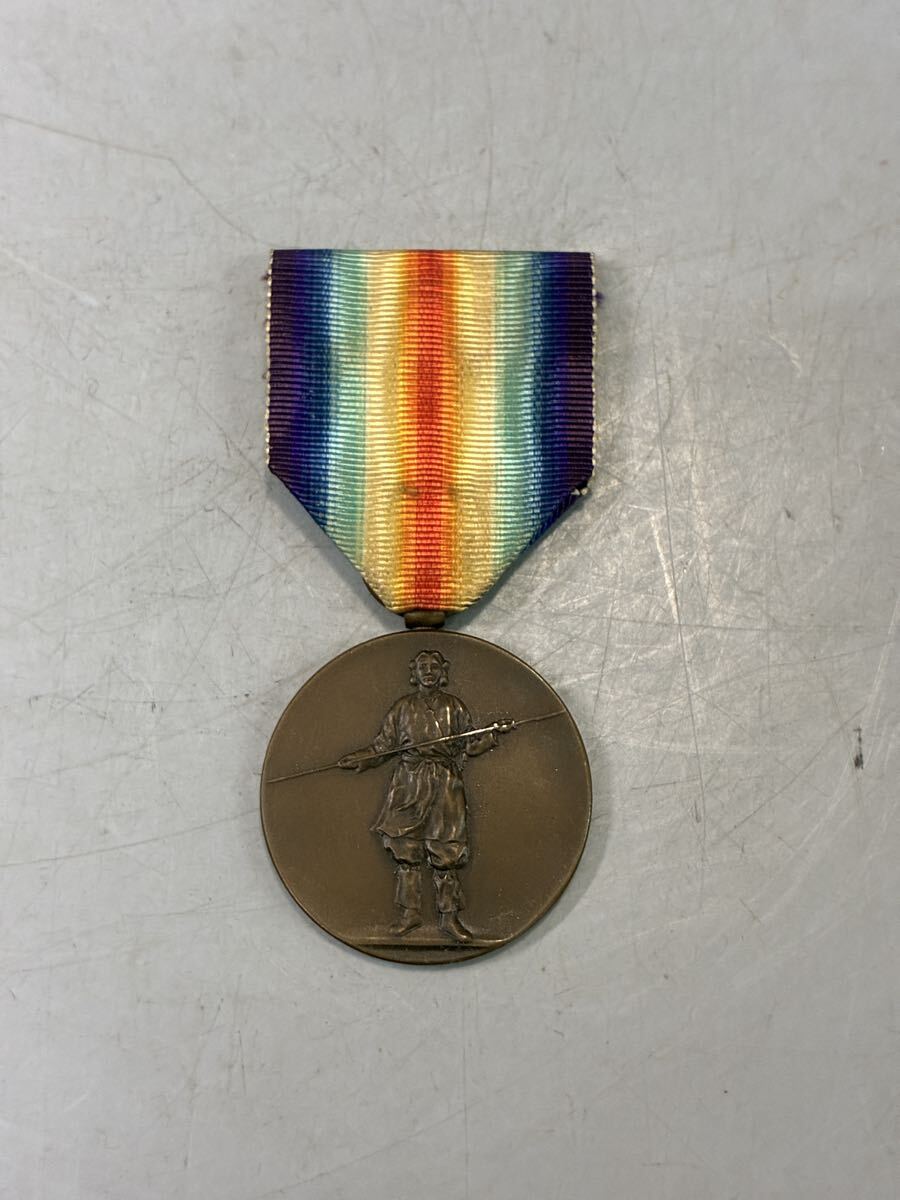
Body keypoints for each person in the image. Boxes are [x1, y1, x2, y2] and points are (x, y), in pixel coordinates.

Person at [339, 650, 511, 942]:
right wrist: (360, 758)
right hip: (409, 782)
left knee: (446, 850)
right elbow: (383, 746)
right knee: (405, 847)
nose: (428, 671)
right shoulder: (402, 707)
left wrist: (492, 735)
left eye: (434, 667)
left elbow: (469, 745)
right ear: (414, 673)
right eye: (423, 667)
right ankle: (410, 914)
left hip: (445, 783)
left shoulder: (454, 706)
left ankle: (449, 918)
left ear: (443, 672)